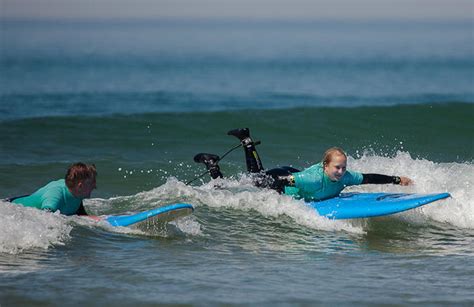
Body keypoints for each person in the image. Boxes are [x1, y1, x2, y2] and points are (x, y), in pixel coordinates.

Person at [194, 128, 412, 201]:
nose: (341, 171)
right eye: (337, 167)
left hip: (294, 176)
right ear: (325, 165)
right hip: (286, 179)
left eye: (344, 167)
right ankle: (213, 164)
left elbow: (369, 178)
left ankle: (245, 142)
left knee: (254, 178)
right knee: (253, 179)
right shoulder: (313, 177)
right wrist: (268, 185)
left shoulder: (346, 177)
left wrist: (397, 180)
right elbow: (281, 180)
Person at [6, 162, 97, 216]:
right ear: (80, 186)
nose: (95, 186)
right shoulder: (55, 195)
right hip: (10, 208)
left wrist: (102, 220)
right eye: (92, 182)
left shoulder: (76, 194)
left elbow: (82, 216)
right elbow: (44, 219)